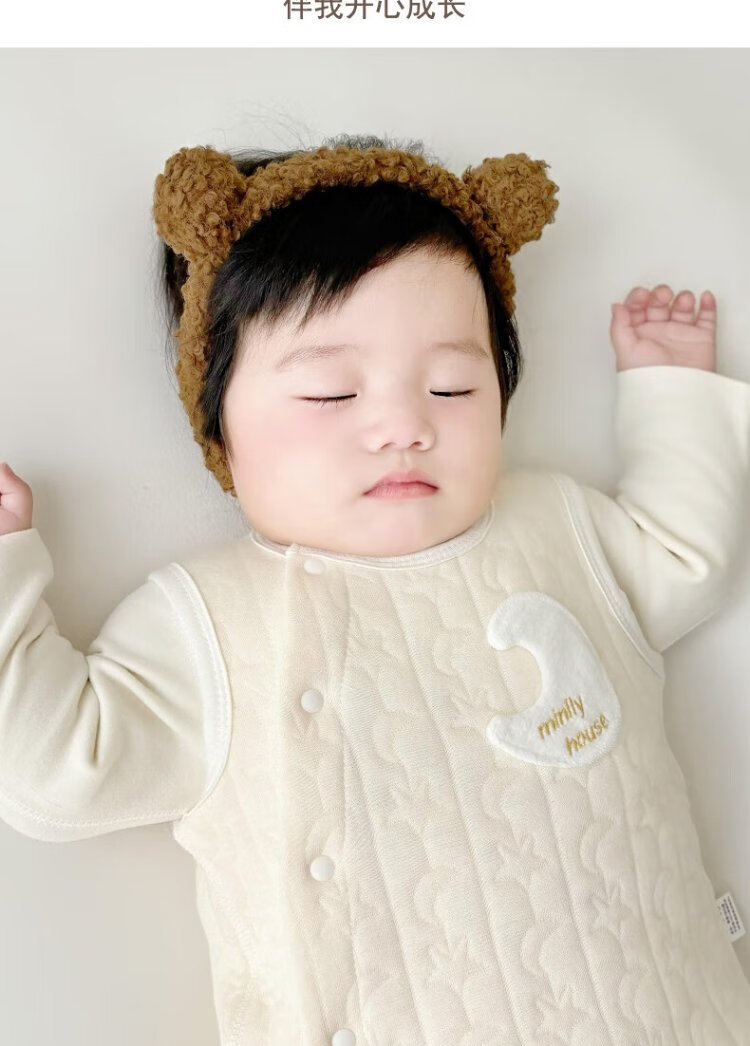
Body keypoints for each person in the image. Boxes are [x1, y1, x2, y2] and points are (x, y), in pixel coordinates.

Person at [1, 132, 750, 1045]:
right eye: (330, 395)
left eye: (453, 387)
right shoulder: (212, 625)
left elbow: (688, 556)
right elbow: (58, 775)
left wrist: (674, 393)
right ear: (219, 426)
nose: (403, 426)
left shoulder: (560, 528)